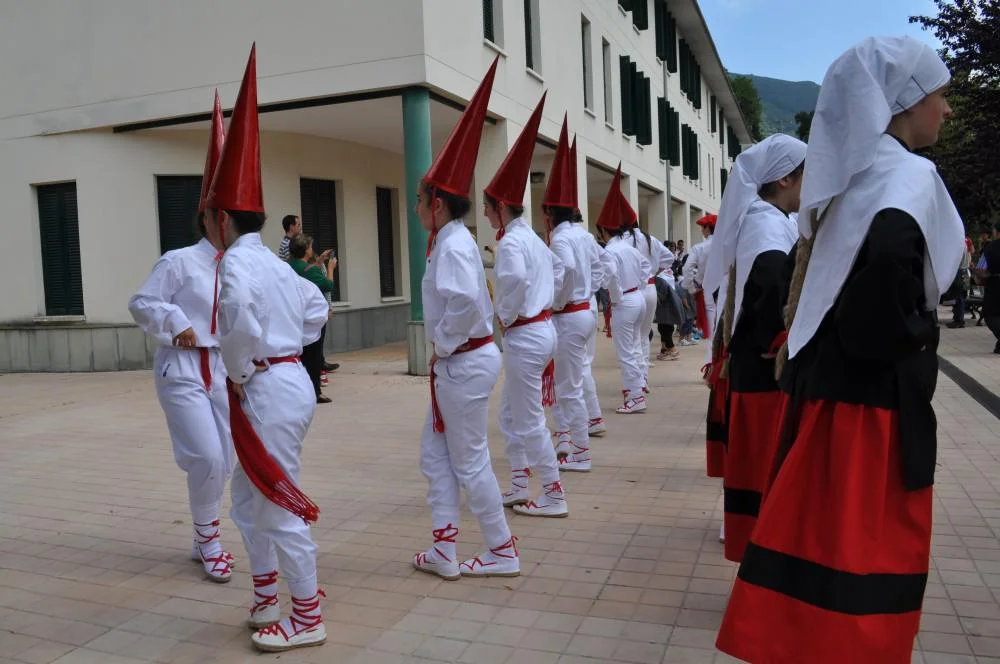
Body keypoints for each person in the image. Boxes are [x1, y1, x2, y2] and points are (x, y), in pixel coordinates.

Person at [716, 36, 965, 663]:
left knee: (818, 541)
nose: (947, 110)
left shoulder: (847, 179)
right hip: (872, 409)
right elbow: (887, 281)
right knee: (865, 556)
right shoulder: (908, 177)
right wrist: (916, 336)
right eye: (941, 95)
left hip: (825, 393)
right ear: (907, 100)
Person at [207, 45, 331, 653]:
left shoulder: (237, 264)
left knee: (276, 500)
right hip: (286, 381)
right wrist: (286, 349)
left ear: (221, 217)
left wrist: (239, 370)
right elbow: (316, 310)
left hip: (266, 388)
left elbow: (237, 323)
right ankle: (265, 597)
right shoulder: (277, 265)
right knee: (249, 494)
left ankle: (307, 616)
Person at [413, 56, 520, 581]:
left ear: (436, 204)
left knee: (470, 459)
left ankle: (501, 549)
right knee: (436, 455)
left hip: (463, 363)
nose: (415, 206)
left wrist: (442, 344)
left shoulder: (453, 245)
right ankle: (444, 547)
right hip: (461, 364)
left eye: (419, 199)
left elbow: (466, 306)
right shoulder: (450, 240)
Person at [128, 91, 236, 584]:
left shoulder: (242, 265)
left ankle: (201, 531)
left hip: (224, 370)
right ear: (208, 216)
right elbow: (142, 302)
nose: (230, 222)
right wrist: (177, 322)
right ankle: (210, 540)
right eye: (224, 213)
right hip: (183, 366)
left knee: (226, 457)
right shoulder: (179, 261)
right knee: (206, 455)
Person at [704, 133, 807, 563]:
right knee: (765, 463)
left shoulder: (771, 218)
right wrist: (780, 342)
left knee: (762, 464)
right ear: (784, 180)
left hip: (756, 365)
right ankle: (763, 551)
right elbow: (767, 285)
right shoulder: (766, 222)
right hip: (765, 368)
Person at [484, 96, 569, 515]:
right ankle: (520, 482)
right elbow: (559, 269)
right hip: (541, 329)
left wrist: (506, 314)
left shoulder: (513, 242)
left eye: (487, 210)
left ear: (501, 207)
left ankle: (553, 493)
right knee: (512, 411)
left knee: (529, 417)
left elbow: (515, 280)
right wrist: (546, 303)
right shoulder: (531, 237)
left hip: (527, 333)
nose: (486, 217)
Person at [541, 122, 610, 474]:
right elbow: (603, 265)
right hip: (583, 311)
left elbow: (566, 270)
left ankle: (580, 452)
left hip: (569, 315)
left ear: (550, 213)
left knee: (567, 387)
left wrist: (557, 301)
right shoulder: (582, 235)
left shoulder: (561, 239)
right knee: (571, 379)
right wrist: (588, 290)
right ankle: (567, 439)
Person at [596, 165, 650, 415]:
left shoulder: (610, 251)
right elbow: (645, 268)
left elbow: (609, 278)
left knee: (626, 352)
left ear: (604, 231)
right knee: (635, 348)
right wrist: (637, 286)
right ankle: (637, 388)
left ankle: (635, 396)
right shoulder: (629, 248)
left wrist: (616, 298)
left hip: (625, 302)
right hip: (637, 297)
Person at [625, 217, 673, 393]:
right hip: (650, 287)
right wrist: (654, 271)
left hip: (633, 289)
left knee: (633, 337)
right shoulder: (650, 239)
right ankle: (643, 378)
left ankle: (637, 381)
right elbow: (669, 257)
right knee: (644, 335)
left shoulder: (623, 240)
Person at [287, 234, 337, 403]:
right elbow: (328, 285)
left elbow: (305, 270)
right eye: (310, 247)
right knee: (314, 356)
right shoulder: (311, 271)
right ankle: (315, 391)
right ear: (306, 250)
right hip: (312, 318)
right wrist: (330, 268)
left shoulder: (287, 266)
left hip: (292, 317)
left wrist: (319, 261)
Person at [682, 215, 718, 364]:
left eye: (703, 228)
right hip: (728, 289)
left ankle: (711, 364)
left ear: (708, 228)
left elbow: (687, 269)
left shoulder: (699, 247)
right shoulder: (728, 244)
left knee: (711, 331)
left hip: (707, 290)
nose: (702, 231)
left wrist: (691, 287)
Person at [979, 225, 1000, 350]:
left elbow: (981, 269)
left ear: (997, 233)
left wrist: (984, 277)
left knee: (990, 315)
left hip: (995, 285)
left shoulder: (990, 247)